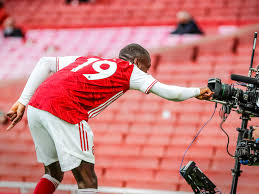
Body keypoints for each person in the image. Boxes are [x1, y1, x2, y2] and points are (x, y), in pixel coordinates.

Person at [6, 43, 213, 194]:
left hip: (35, 106)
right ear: (138, 62)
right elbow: (168, 92)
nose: (146, 73)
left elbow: (45, 62)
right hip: (65, 109)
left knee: (53, 172)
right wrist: (197, 91)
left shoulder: (90, 59)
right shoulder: (131, 70)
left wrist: (22, 101)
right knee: (88, 181)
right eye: (147, 68)